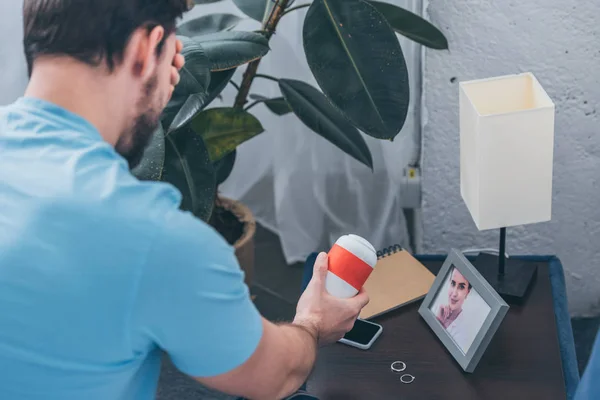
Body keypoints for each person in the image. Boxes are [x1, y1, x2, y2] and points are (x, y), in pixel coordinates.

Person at [0, 1, 369, 399]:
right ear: (147, 48)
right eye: (174, 41)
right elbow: (274, 376)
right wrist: (313, 323)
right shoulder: (153, 238)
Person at [436, 267, 472, 352]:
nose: (454, 293)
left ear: (467, 292)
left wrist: (441, 325)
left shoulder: (464, 333)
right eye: (453, 283)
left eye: (461, 287)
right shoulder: (436, 308)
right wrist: (439, 320)